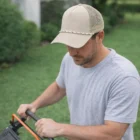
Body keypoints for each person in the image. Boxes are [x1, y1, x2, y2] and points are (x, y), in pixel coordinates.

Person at [17, 4, 140, 140]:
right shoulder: (71, 59)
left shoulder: (124, 76)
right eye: (68, 43)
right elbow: (59, 87)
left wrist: (60, 128)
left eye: (78, 44)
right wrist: (35, 105)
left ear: (99, 36)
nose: (72, 51)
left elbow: (113, 134)